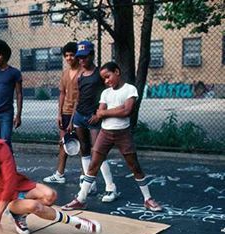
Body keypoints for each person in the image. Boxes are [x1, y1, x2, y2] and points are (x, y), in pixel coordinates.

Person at [0, 117, 101, 234]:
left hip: (19, 185)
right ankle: (76, 222)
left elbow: (10, 180)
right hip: (4, 198)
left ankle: (20, 215)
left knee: (50, 196)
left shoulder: (2, 147)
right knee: (35, 206)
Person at [62, 62, 162, 211]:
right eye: (103, 79)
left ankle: (148, 199)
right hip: (105, 133)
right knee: (93, 165)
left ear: (117, 72)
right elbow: (100, 113)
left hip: (123, 133)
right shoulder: (105, 93)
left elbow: (126, 111)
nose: (106, 81)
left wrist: (105, 112)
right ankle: (81, 199)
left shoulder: (130, 89)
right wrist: (111, 111)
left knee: (134, 166)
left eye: (108, 77)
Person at [71, 40, 116, 202]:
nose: (81, 60)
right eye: (79, 57)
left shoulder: (99, 74)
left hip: (94, 117)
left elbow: (108, 96)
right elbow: (78, 97)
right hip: (79, 116)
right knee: (84, 149)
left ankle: (111, 188)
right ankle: (90, 185)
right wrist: (72, 119)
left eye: (84, 57)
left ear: (91, 55)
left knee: (98, 151)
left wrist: (100, 114)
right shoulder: (80, 75)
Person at [43, 42, 81, 184]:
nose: (69, 58)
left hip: (78, 113)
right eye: (66, 55)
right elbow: (62, 94)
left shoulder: (82, 73)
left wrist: (72, 121)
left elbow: (80, 98)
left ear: (77, 56)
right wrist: (59, 114)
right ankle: (59, 174)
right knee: (63, 143)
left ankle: (86, 177)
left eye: (72, 55)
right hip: (65, 112)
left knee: (82, 145)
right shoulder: (65, 73)